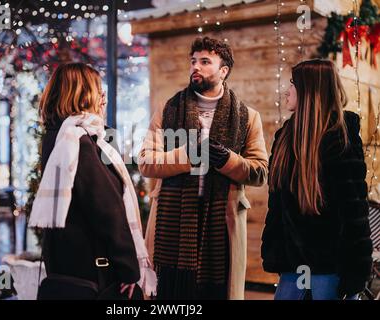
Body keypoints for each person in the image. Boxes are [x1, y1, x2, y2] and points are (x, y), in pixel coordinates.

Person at [138, 37, 269, 300]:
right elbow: (145, 161)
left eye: (205, 61)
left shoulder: (247, 116)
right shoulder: (168, 108)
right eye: (193, 61)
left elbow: (259, 172)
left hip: (221, 220)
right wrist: (188, 155)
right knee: (171, 293)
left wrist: (226, 160)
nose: (195, 66)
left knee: (215, 292)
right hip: (172, 222)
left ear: (224, 71)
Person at [28, 63, 156, 300]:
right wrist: (129, 270)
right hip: (94, 271)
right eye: (98, 89)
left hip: (66, 266)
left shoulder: (57, 137)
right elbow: (107, 210)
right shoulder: (77, 141)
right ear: (84, 93)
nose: (102, 96)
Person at [261, 59, 373, 300]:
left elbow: (354, 212)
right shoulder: (285, 137)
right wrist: (274, 252)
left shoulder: (341, 137)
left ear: (309, 90)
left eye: (292, 84)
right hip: (292, 268)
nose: (286, 90)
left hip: (331, 269)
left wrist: (355, 273)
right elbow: (276, 207)